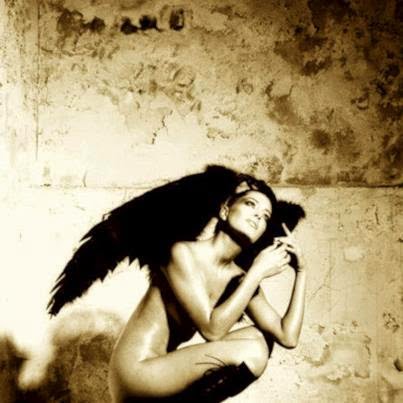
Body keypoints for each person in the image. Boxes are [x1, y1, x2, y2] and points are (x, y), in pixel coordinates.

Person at [107, 181, 306, 402]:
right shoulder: (182, 252)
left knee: (260, 338)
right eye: (250, 204)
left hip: (164, 371)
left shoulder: (239, 278)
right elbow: (212, 330)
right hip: (135, 373)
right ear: (225, 211)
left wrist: (301, 270)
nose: (259, 215)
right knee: (253, 352)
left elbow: (287, 337)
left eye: (266, 216)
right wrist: (257, 272)